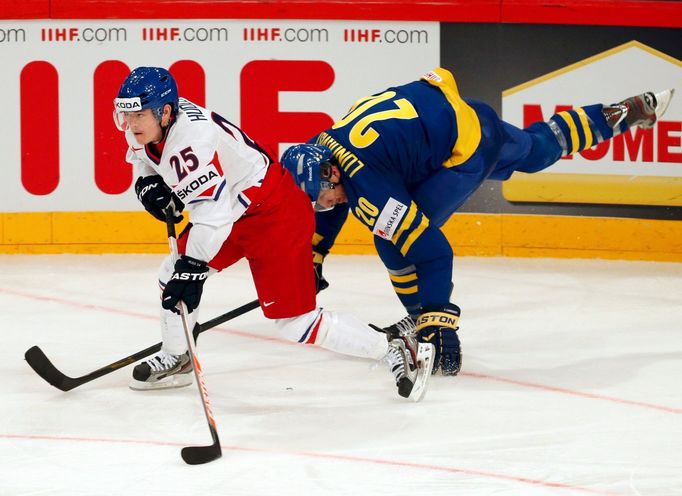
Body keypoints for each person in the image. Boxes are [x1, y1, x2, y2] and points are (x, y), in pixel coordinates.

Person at [280, 67, 674, 377]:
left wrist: (440, 319)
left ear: (331, 173)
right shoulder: (324, 144)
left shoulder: (364, 183)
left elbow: (433, 251)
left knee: (395, 241)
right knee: (535, 151)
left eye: (322, 195)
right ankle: (621, 113)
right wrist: (315, 251)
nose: (325, 203)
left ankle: (423, 323)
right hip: (461, 110)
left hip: (463, 150)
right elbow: (335, 203)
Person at [112, 66, 435, 401]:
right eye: (125, 114)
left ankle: (394, 347)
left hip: (275, 212)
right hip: (236, 210)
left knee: (296, 323)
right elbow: (145, 160)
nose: (130, 123)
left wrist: (193, 268)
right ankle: (178, 358)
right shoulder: (149, 126)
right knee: (170, 276)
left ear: (164, 112)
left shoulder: (189, 142)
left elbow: (214, 217)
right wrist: (147, 182)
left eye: (137, 115)